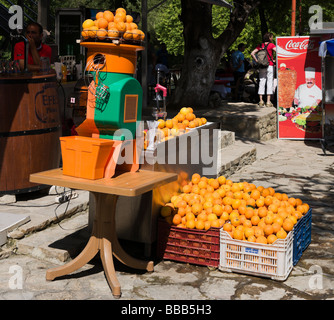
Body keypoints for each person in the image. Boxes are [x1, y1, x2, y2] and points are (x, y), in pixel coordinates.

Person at [251, 32, 276, 107]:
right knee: (269, 82)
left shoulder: (260, 45)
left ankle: (261, 101)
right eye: (271, 37)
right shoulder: (271, 45)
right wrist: (274, 60)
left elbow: (252, 53)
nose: (272, 38)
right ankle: (268, 102)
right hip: (270, 65)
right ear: (269, 38)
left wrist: (257, 61)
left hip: (262, 66)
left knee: (262, 82)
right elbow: (278, 51)